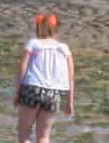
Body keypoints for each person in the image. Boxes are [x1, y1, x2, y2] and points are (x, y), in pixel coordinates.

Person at [14, 13, 74, 143]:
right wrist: (70, 102)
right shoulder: (64, 48)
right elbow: (70, 78)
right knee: (44, 136)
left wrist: (17, 93)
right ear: (56, 29)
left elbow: (22, 69)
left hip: (32, 89)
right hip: (53, 93)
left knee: (24, 132)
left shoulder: (33, 43)